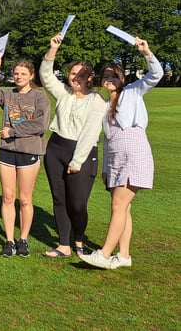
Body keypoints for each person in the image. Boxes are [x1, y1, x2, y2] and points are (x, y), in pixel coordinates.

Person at [80, 37, 163, 269]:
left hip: (134, 152)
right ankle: (124, 255)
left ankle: (105, 255)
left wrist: (146, 52)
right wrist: (106, 168)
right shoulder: (105, 106)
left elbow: (155, 75)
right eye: (105, 76)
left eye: (113, 75)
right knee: (123, 207)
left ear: (122, 78)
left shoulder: (133, 91)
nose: (109, 79)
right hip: (116, 157)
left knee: (119, 205)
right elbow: (107, 140)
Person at [40, 34, 106, 258]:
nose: (76, 77)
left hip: (82, 154)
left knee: (77, 203)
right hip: (56, 148)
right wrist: (52, 50)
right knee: (59, 198)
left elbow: (90, 134)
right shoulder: (64, 94)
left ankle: (79, 241)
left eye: (81, 74)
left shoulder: (96, 101)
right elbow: (46, 76)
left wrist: (77, 161)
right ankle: (64, 245)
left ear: (89, 78)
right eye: (73, 73)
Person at [0, 55, 50, 257]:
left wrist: (12, 131)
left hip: (29, 152)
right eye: (15, 73)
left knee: (24, 199)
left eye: (23, 73)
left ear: (31, 76)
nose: (18, 76)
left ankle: (23, 239)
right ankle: (9, 240)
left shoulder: (40, 97)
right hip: (7, 152)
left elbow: (40, 124)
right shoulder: (7, 94)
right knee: (7, 197)